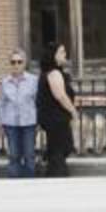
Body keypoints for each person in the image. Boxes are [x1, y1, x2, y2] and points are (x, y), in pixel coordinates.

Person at [36, 44, 76, 178]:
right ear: (53, 55)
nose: (65, 54)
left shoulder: (52, 72)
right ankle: (57, 176)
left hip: (54, 119)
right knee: (59, 149)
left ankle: (55, 174)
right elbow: (60, 95)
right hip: (56, 119)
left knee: (59, 148)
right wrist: (73, 111)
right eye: (62, 52)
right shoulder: (54, 73)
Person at [0, 49, 39, 178]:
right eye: (13, 62)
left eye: (19, 62)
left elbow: (37, 101)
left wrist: (39, 120)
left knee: (29, 153)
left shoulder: (33, 80)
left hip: (29, 122)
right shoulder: (5, 81)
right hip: (10, 122)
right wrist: (0, 122)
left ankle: (30, 181)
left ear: (24, 63)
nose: (16, 65)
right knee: (14, 154)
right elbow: (2, 103)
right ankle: (14, 183)